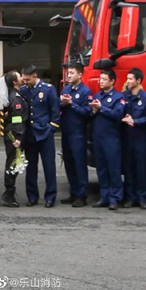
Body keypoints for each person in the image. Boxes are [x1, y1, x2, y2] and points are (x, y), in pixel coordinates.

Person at [20, 65, 60, 208]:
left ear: (35, 76)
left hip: (44, 133)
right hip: (30, 134)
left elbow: (55, 111)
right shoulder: (24, 90)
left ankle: (50, 197)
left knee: (49, 166)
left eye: (28, 79)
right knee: (30, 167)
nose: (25, 82)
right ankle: (32, 196)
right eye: (23, 79)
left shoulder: (48, 89)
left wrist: (51, 128)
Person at [90, 69, 124, 210]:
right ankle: (104, 196)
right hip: (98, 137)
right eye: (100, 79)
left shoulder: (118, 97)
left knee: (113, 168)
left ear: (112, 81)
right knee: (101, 168)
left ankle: (115, 198)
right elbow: (91, 116)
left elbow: (118, 114)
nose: (101, 81)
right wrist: (93, 111)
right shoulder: (97, 96)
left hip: (111, 138)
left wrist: (101, 108)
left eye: (104, 79)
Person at [60, 63, 92, 208]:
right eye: (68, 73)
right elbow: (58, 106)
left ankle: (82, 195)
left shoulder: (85, 91)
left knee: (79, 164)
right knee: (69, 163)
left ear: (80, 74)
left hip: (78, 132)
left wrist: (72, 104)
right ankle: (73, 192)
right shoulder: (66, 89)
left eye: (72, 73)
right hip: (66, 132)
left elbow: (88, 112)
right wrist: (62, 103)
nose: (69, 75)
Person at [121, 68, 146, 209]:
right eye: (127, 78)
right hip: (127, 138)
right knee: (128, 169)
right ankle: (130, 197)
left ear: (138, 81)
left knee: (141, 169)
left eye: (131, 79)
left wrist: (135, 121)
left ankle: (142, 198)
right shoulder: (124, 96)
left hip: (141, 138)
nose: (128, 81)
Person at [1, 71, 29, 207]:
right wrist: (18, 137)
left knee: (14, 162)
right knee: (12, 163)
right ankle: (9, 193)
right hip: (14, 135)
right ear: (14, 82)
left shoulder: (18, 94)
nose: (22, 78)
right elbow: (17, 119)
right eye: (19, 76)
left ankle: (9, 193)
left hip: (14, 133)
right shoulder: (15, 97)